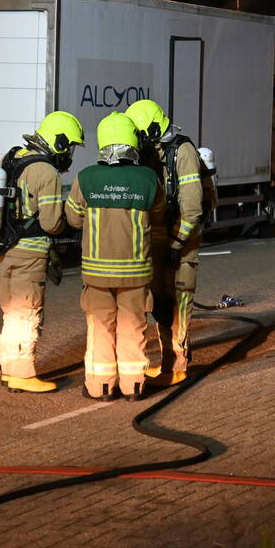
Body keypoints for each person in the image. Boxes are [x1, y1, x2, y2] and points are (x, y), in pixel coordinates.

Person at [66, 112, 163, 401]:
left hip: (96, 274)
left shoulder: (86, 178)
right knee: (133, 328)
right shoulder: (148, 178)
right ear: (133, 141)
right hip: (135, 273)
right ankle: (133, 387)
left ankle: (101, 388)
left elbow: (72, 219)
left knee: (100, 330)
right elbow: (158, 214)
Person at [0, 111, 84, 393]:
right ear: (58, 141)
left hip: (3, 250)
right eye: (69, 145)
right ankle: (22, 373)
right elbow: (50, 223)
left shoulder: (12, 158)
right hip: (29, 253)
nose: (69, 152)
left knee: (11, 313)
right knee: (28, 312)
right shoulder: (46, 172)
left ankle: (10, 369)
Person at [125, 99, 204, 386]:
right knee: (161, 304)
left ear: (155, 128)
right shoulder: (151, 151)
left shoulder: (183, 151)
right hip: (158, 240)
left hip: (181, 244)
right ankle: (168, 363)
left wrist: (176, 243)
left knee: (178, 305)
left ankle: (177, 367)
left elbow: (193, 208)